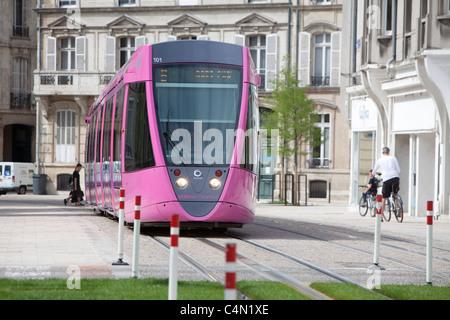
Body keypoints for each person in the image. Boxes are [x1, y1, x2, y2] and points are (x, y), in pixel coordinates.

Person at [372, 147, 400, 215]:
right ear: (389, 152)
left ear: (382, 153)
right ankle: (399, 209)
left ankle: (381, 215)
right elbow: (398, 170)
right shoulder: (393, 158)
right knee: (395, 193)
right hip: (395, 177)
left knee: (384, 197)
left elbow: (373, 172)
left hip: (386, 179)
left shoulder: (379, 160)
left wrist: (376, 174)